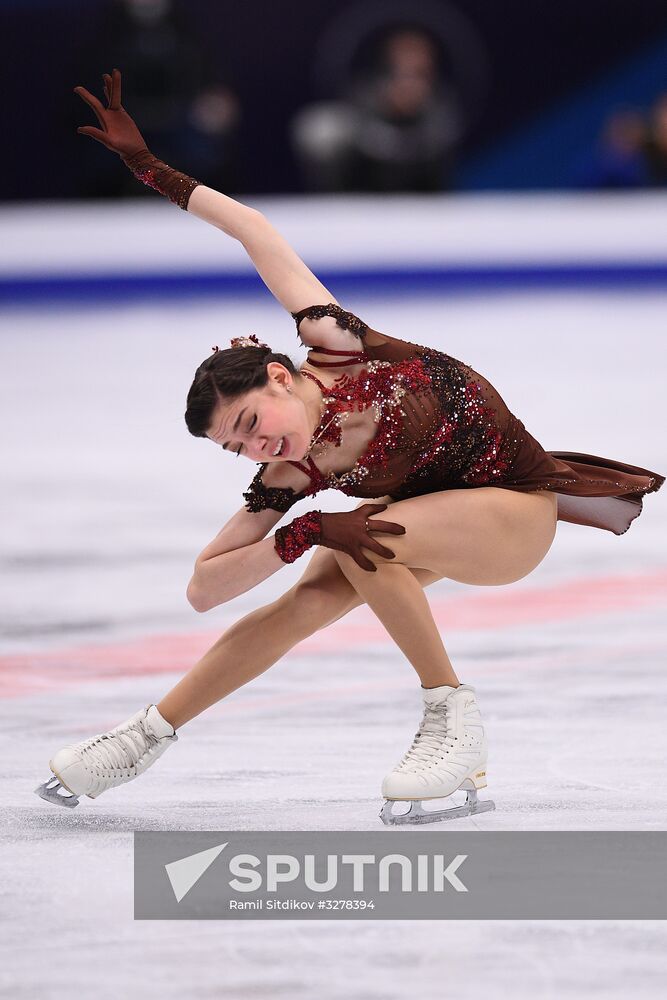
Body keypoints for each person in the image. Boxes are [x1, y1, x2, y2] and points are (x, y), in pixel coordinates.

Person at [36, 70, 665, 825]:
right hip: (428, 522)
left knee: (368, 540)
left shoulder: (336, 344)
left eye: (248, 422)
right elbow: (204, 589)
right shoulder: (292, 470)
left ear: (277, 375)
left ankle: (451, 720)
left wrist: (152, 170)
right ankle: (146, 735)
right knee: (315, 590)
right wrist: (298, 533)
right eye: (235, 448)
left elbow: (254, 232)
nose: (254, 445)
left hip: (513, 514)